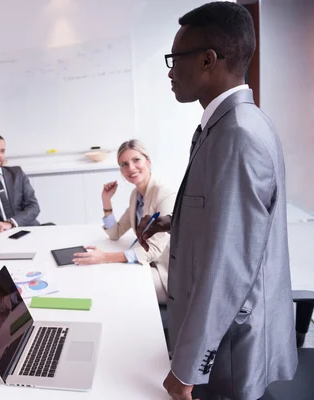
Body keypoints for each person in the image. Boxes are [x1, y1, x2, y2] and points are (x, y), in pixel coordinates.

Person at [138, 3, 297, 399]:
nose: (171, 71)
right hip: (222, 339)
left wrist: (188, 367)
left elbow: (229, 264)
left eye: (175, 59)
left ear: (208, 60)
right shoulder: (230, 124)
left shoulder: (238, 134)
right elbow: (227, 221)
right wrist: (174, 222)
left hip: (228, 353)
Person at [73, 140, 175, 304]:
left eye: (136, 160)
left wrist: (105, 257)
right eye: (124, 164)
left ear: (148, 161)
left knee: (115, 285)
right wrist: (106, 200)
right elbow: (115, 232)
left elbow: (154, 249)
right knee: (106, 275)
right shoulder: (136, 196)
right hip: (146, 263)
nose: (131, 168)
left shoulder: (164, 194)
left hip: (164, 271)